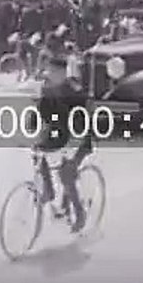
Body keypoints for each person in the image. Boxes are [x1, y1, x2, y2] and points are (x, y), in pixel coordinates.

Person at [31, 53, 92, 233]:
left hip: (78, 136)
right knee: (37, 152)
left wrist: (71, 148)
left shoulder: (73, 92)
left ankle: (79, 213)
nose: (50, 74)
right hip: (58, 132)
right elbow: (38, 114)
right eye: (49, 71)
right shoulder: (46, 89)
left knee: (66, 174)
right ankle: (48, 191)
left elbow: (81, 122)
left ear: (63, 73)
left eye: (54, 72)